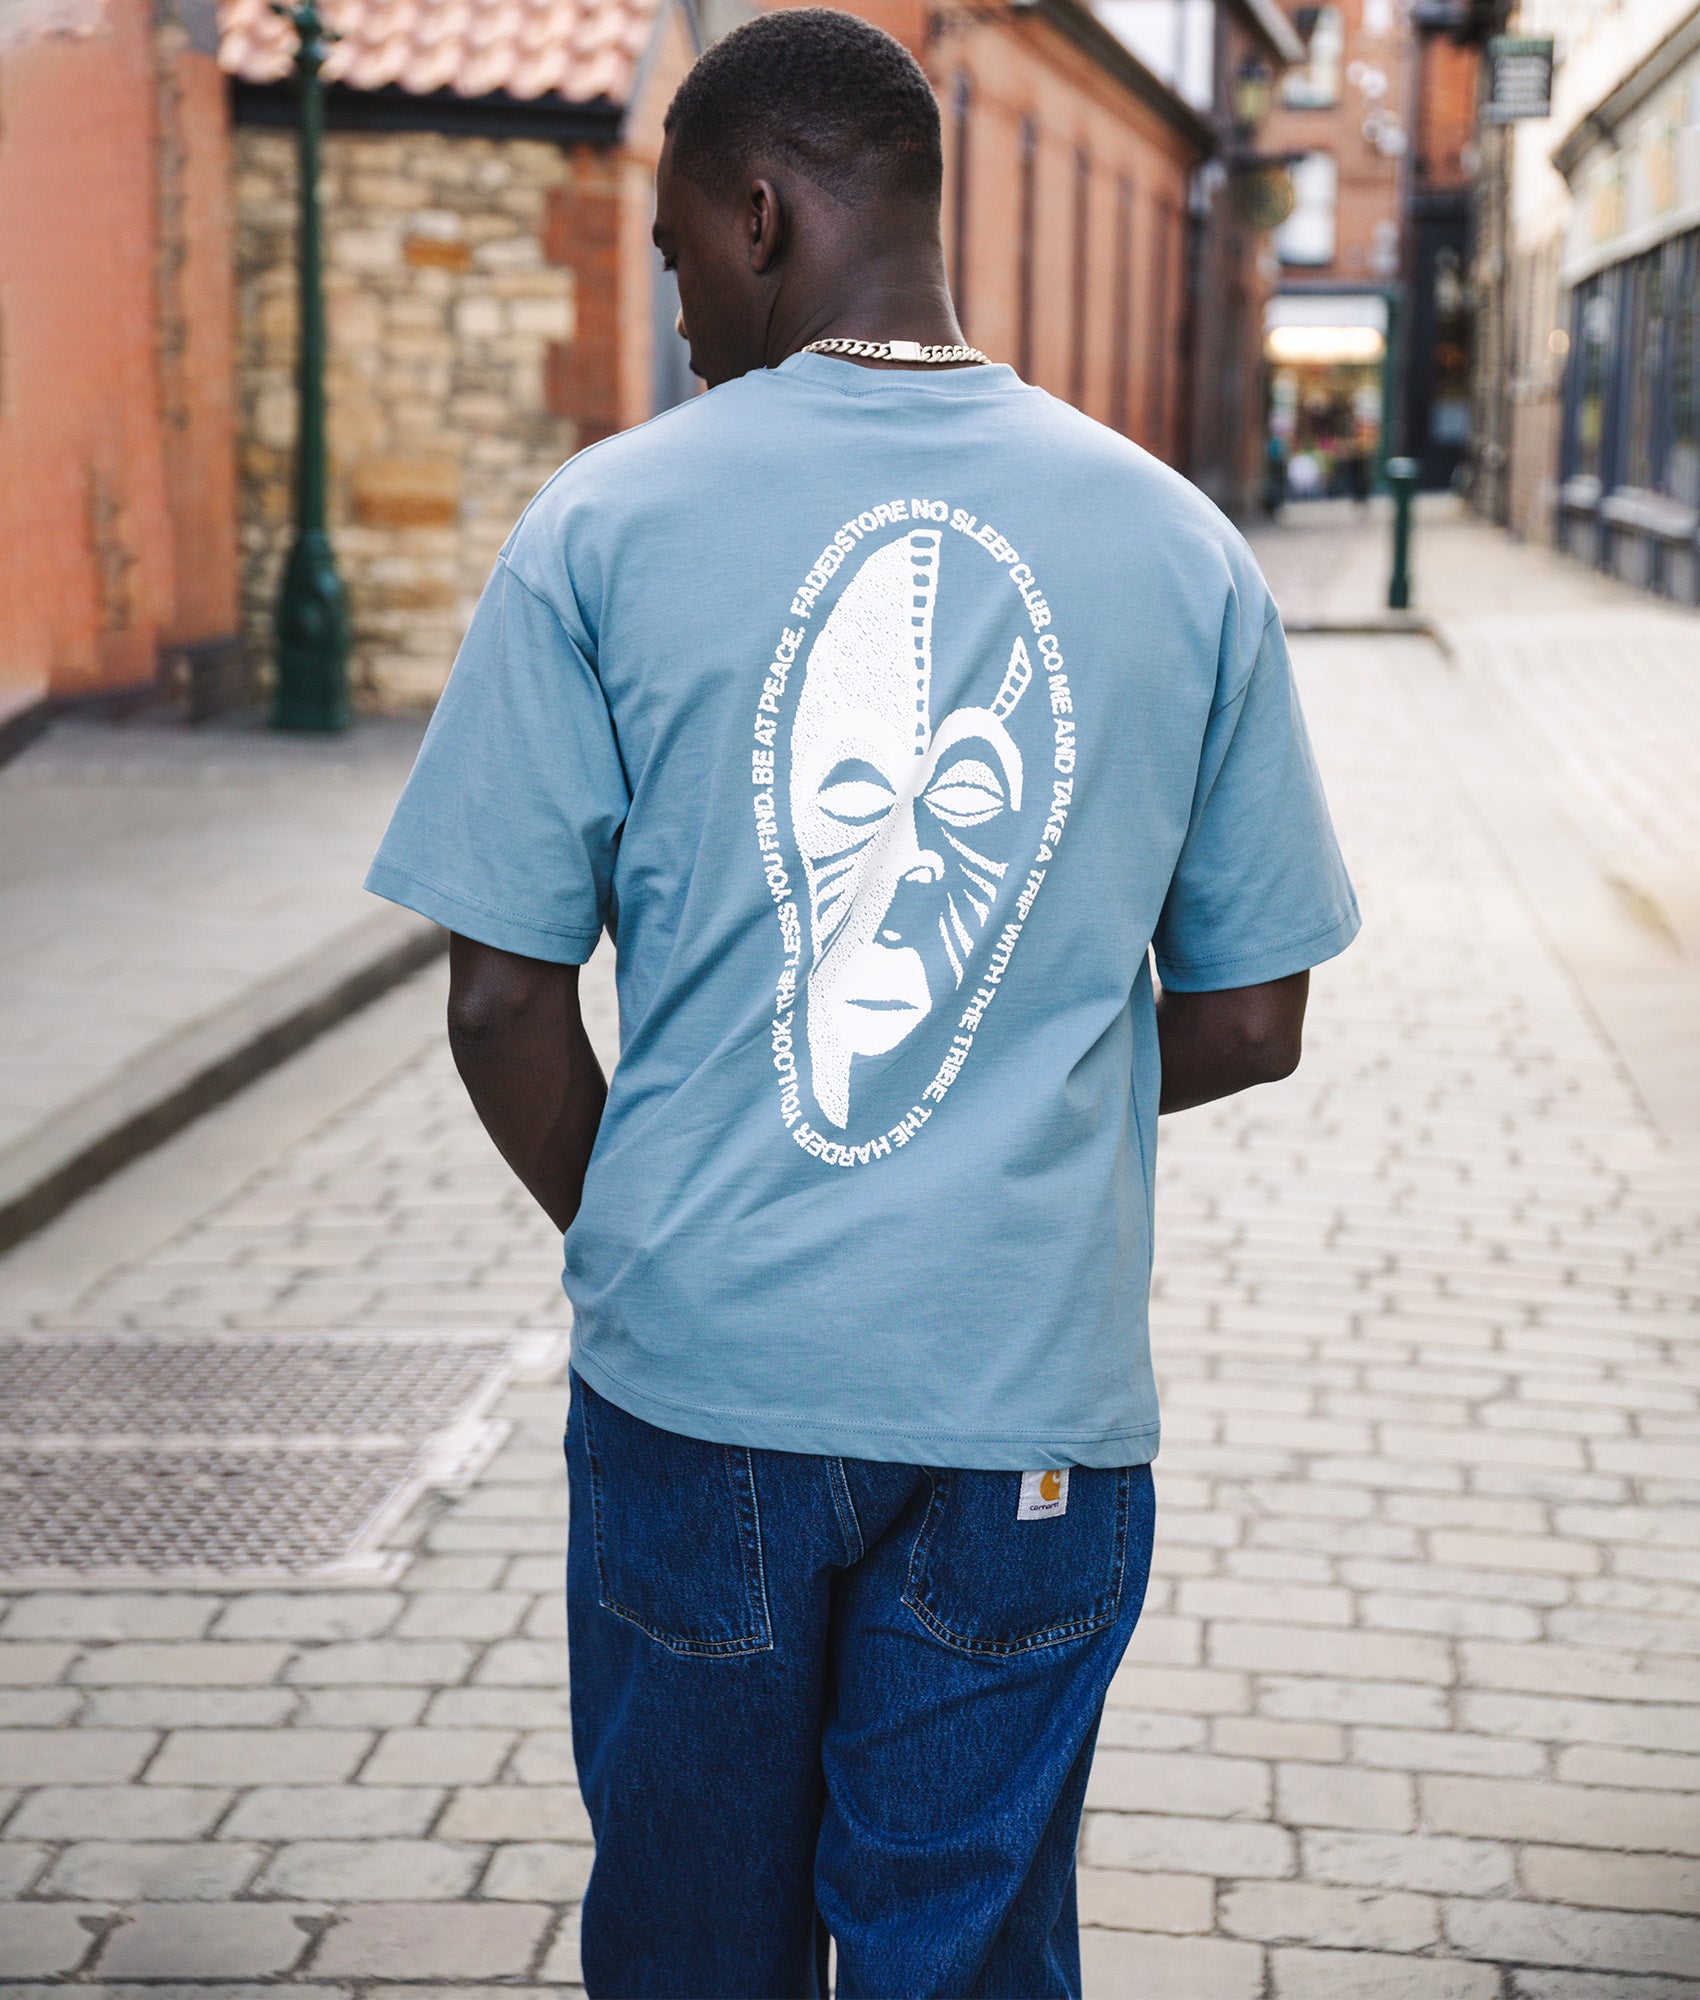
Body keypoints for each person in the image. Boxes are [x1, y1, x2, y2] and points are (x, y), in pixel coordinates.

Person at [366, 11, 1359, 1996]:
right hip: (1024, 1414)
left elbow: (499, 1002)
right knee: (966, 1950)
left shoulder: (602, 526)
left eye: (669, 254)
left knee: (693, 1945)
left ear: (757, 213)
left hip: (698, 1384)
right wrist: (989, 1077)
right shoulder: (1177, 541)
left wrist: (661, 1214)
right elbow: (1252, 1019)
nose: (672, 301)